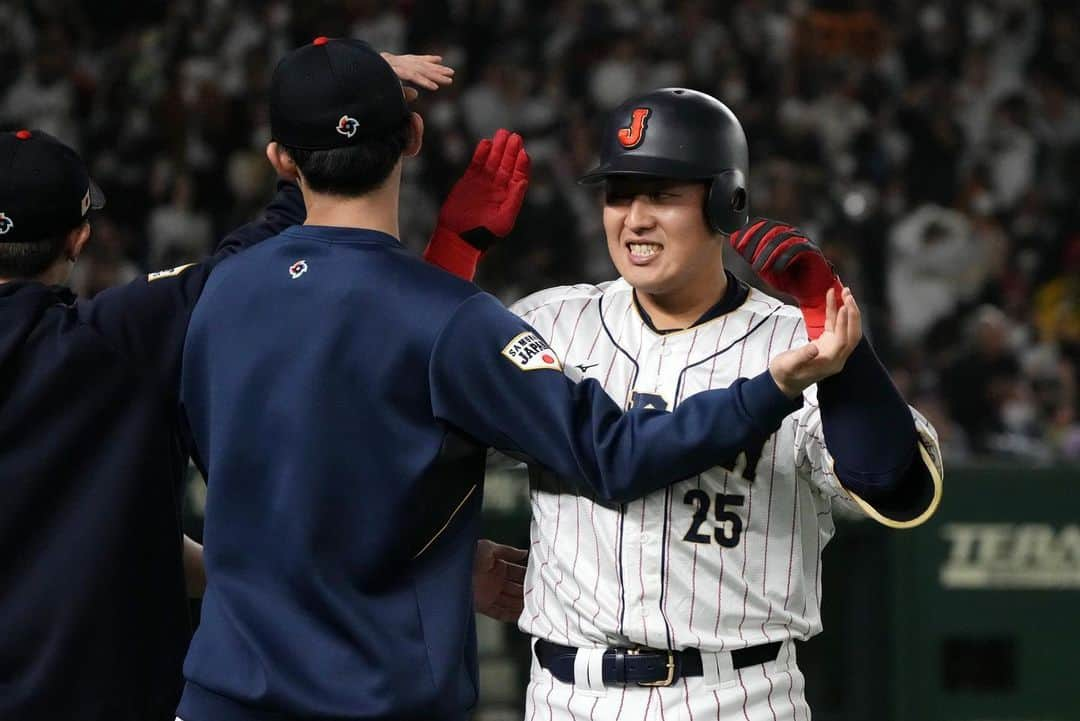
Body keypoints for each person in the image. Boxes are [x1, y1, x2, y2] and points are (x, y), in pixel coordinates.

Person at [175, 41, 859, 721]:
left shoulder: (217, 293)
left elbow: (326, 450)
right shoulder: (450, 316)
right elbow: (611, 453)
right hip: (375, 695)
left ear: (280, 159)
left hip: (220, 697)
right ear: (414, 137)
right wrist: (768, 388)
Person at [0, 51, 519, 721]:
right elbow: (271, 251)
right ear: (78, 237)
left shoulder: (116, 339)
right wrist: (338, 102)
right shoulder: (115, 340)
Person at [487, 89, 944, 720]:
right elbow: (409, 447)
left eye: (664, 194)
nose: (635, 218)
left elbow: (897, 484)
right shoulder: (550, 323)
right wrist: (461, 565)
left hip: (735, 693)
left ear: (726, 203)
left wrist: (838, 339)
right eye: (619, 193)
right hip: (564, 692)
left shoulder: (792, 340)